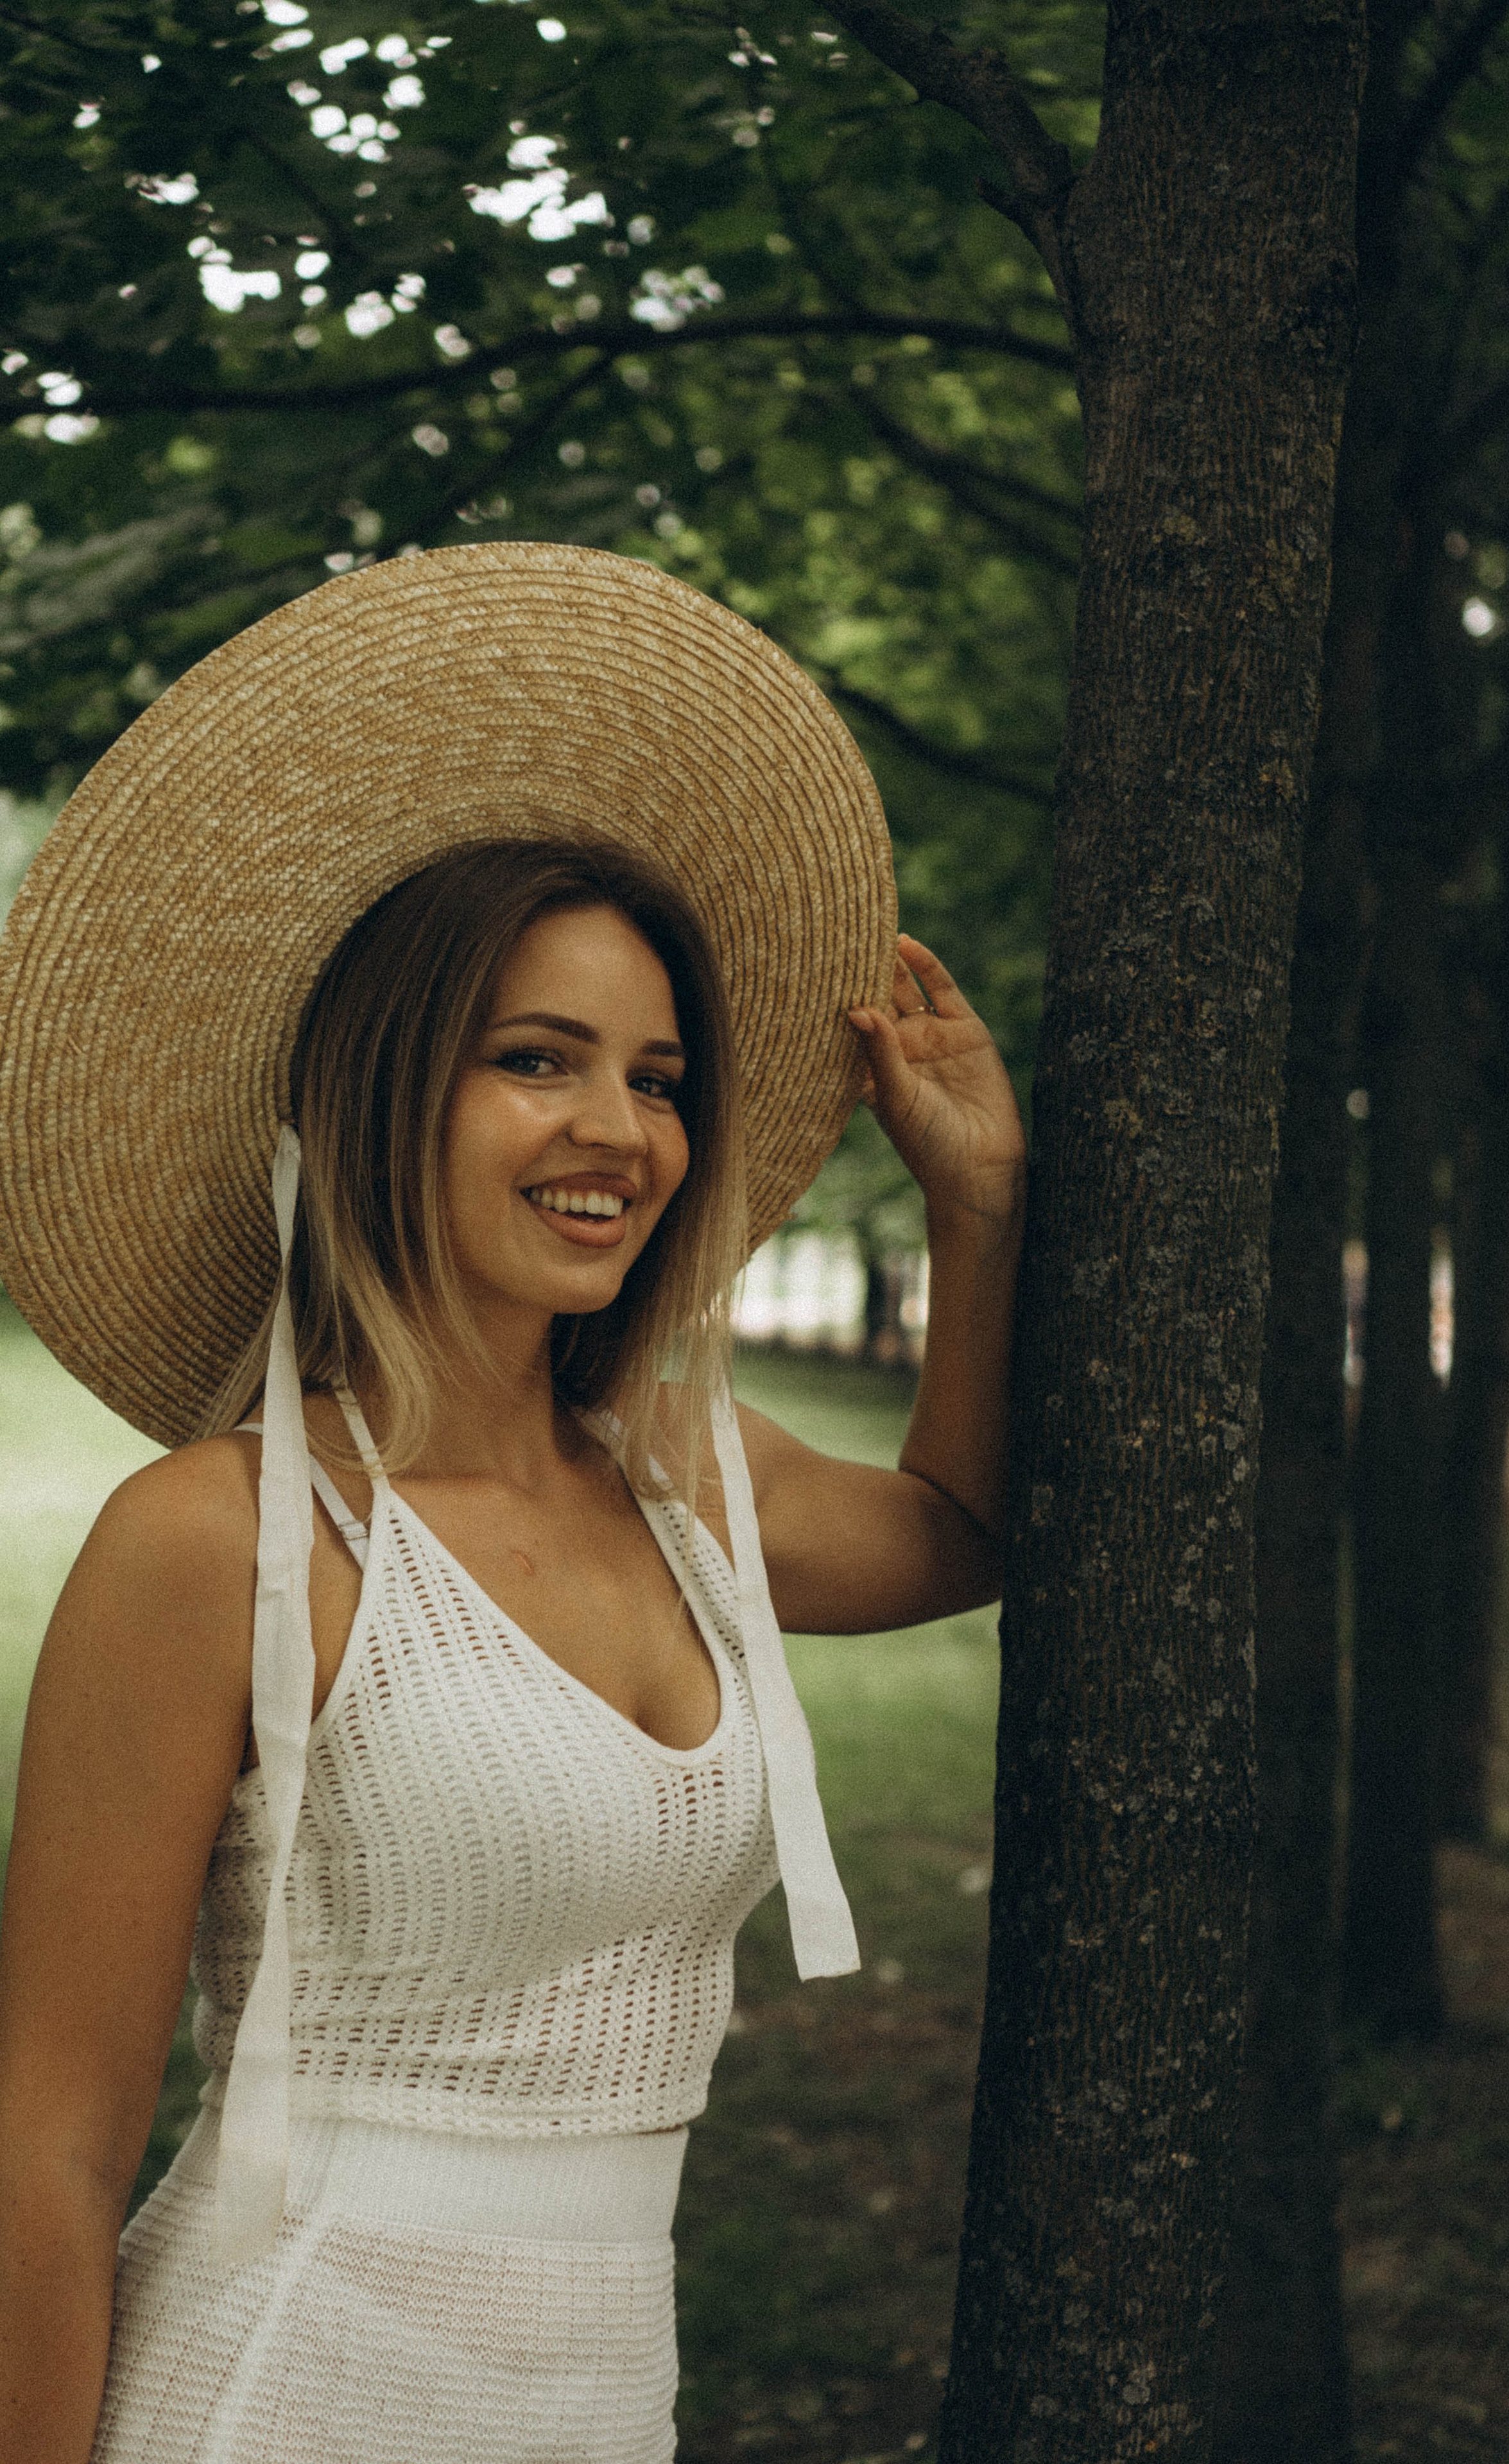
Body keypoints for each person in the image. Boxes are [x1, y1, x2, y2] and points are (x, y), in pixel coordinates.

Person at [0, 545, 1024, 2464]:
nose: (618, 1135)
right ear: (388, 1092)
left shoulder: (693, 1481)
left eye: (656, 1076)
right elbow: (48, 2151)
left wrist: (978, 1210)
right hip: (282, 2390)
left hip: (598, 2404)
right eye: (534, 1062)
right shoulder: (221, 1541)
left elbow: (962, 1529)